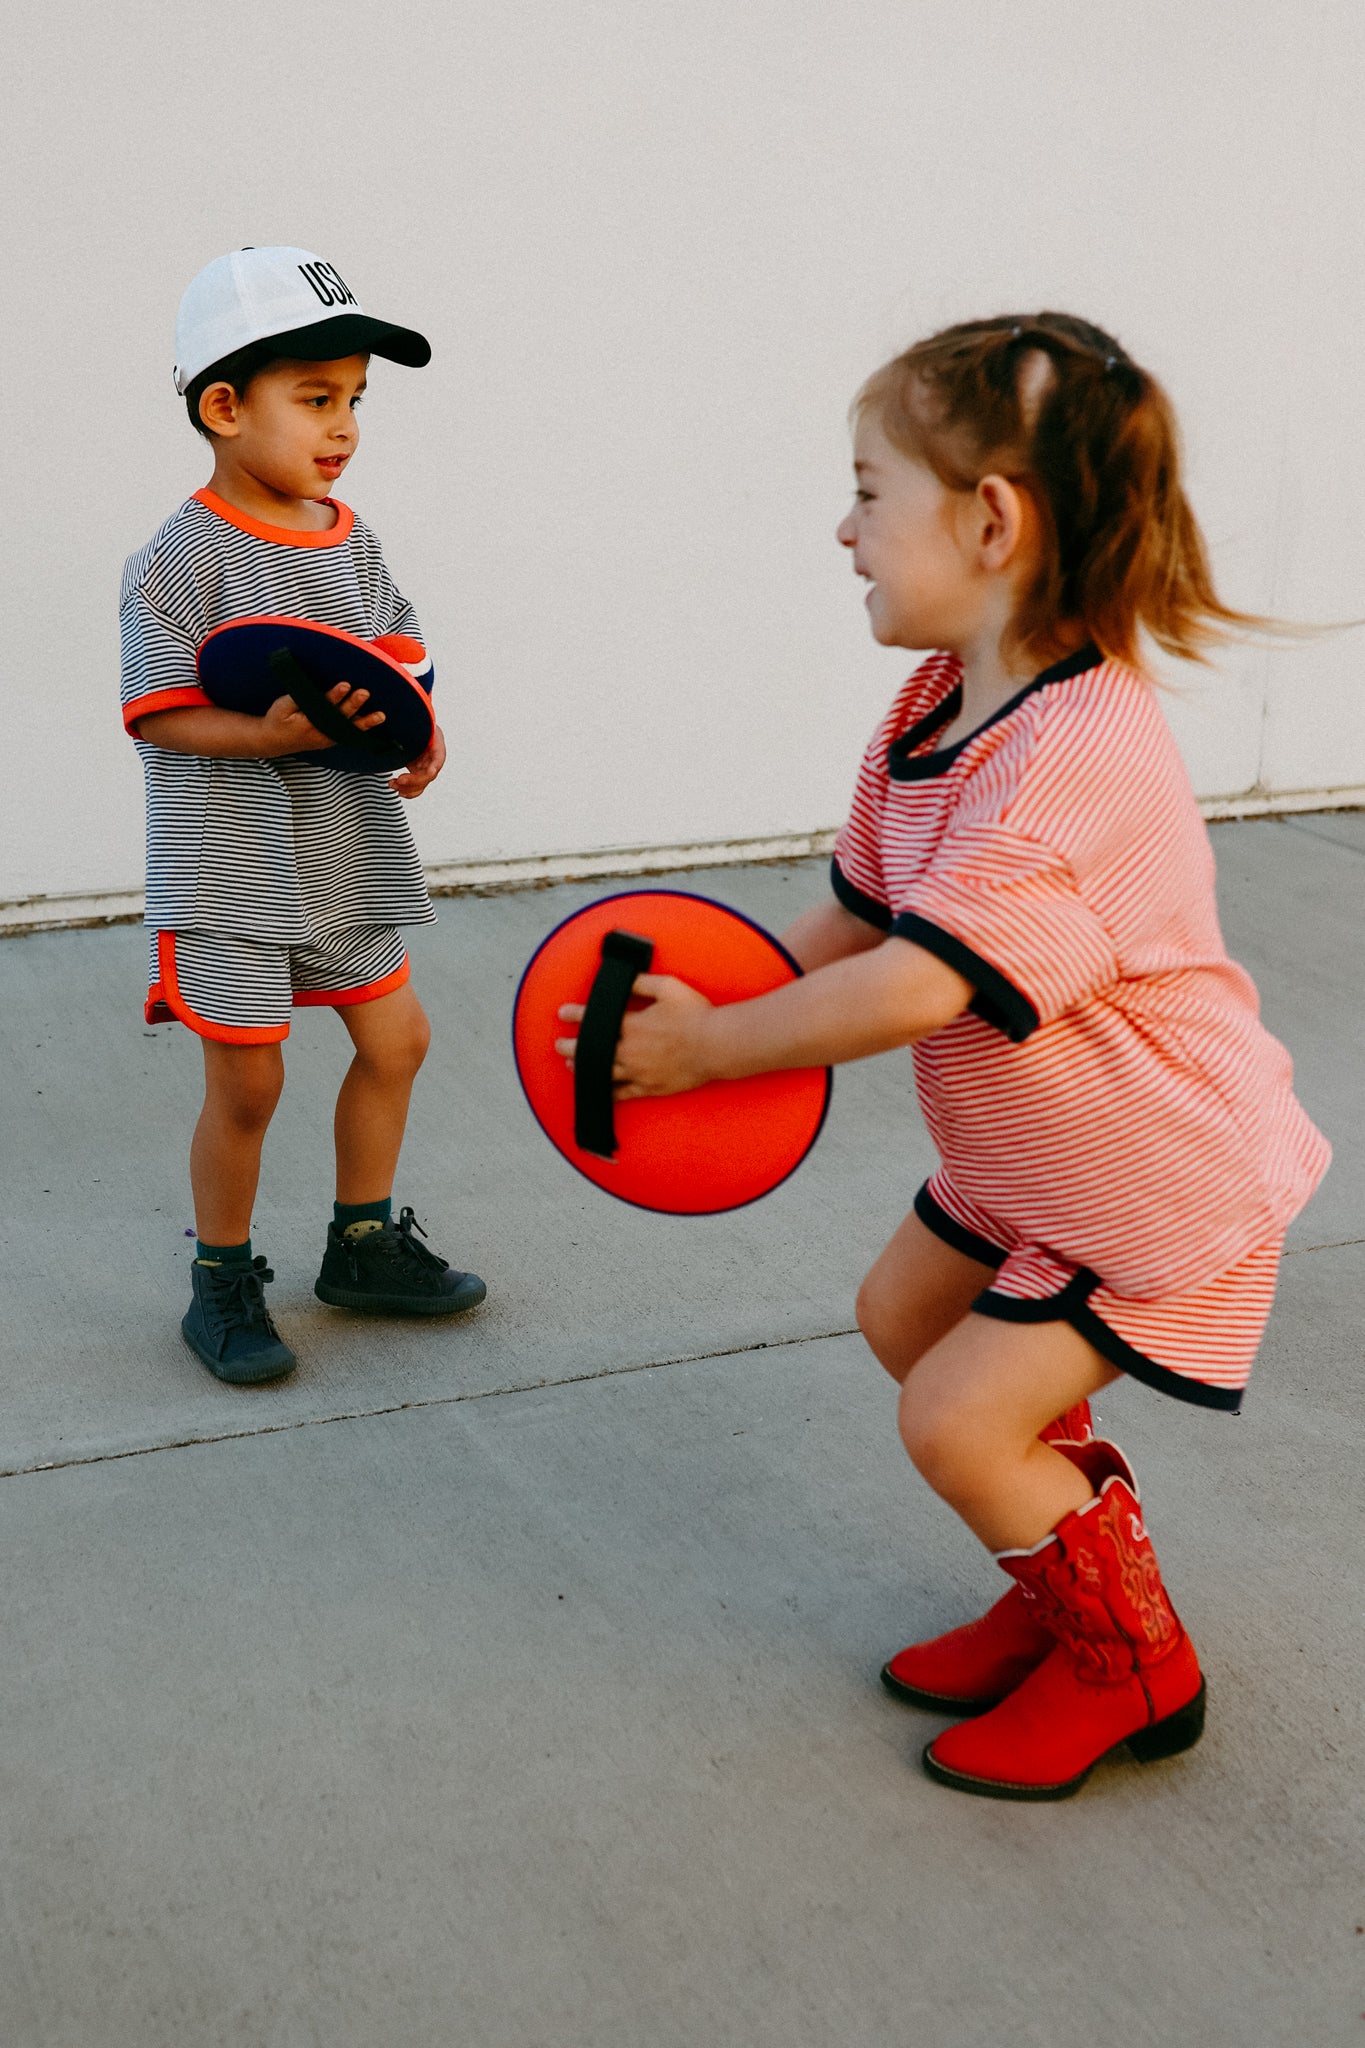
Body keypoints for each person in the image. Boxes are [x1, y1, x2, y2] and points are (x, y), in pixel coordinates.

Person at [558, 313, 1330, 1799]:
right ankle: (1059, 1565)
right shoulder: (929, 708)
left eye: (865, 491)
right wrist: (697, 987)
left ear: (988, 520)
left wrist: (719, 1049)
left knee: (953, 1413)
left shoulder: (1079, 754)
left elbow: (918, 985)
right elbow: (854, 923)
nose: (839, 530)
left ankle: (1132, 1666)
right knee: (907, 1319)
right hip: (1026, 1162)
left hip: (1149, 1180)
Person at [121, 246, 485, 1387]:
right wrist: (264, 738)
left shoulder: (348, 536)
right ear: (224, 406)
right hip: (228, 868)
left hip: (340, 853)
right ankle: (221, 1275)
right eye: (316, 398)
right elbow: (155, 711)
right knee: (251, 1079)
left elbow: (398, 664)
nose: (345, 426)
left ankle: (364, 1243)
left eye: (355, 399)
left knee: (399, 1037)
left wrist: (420, 733)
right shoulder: (177, 560)